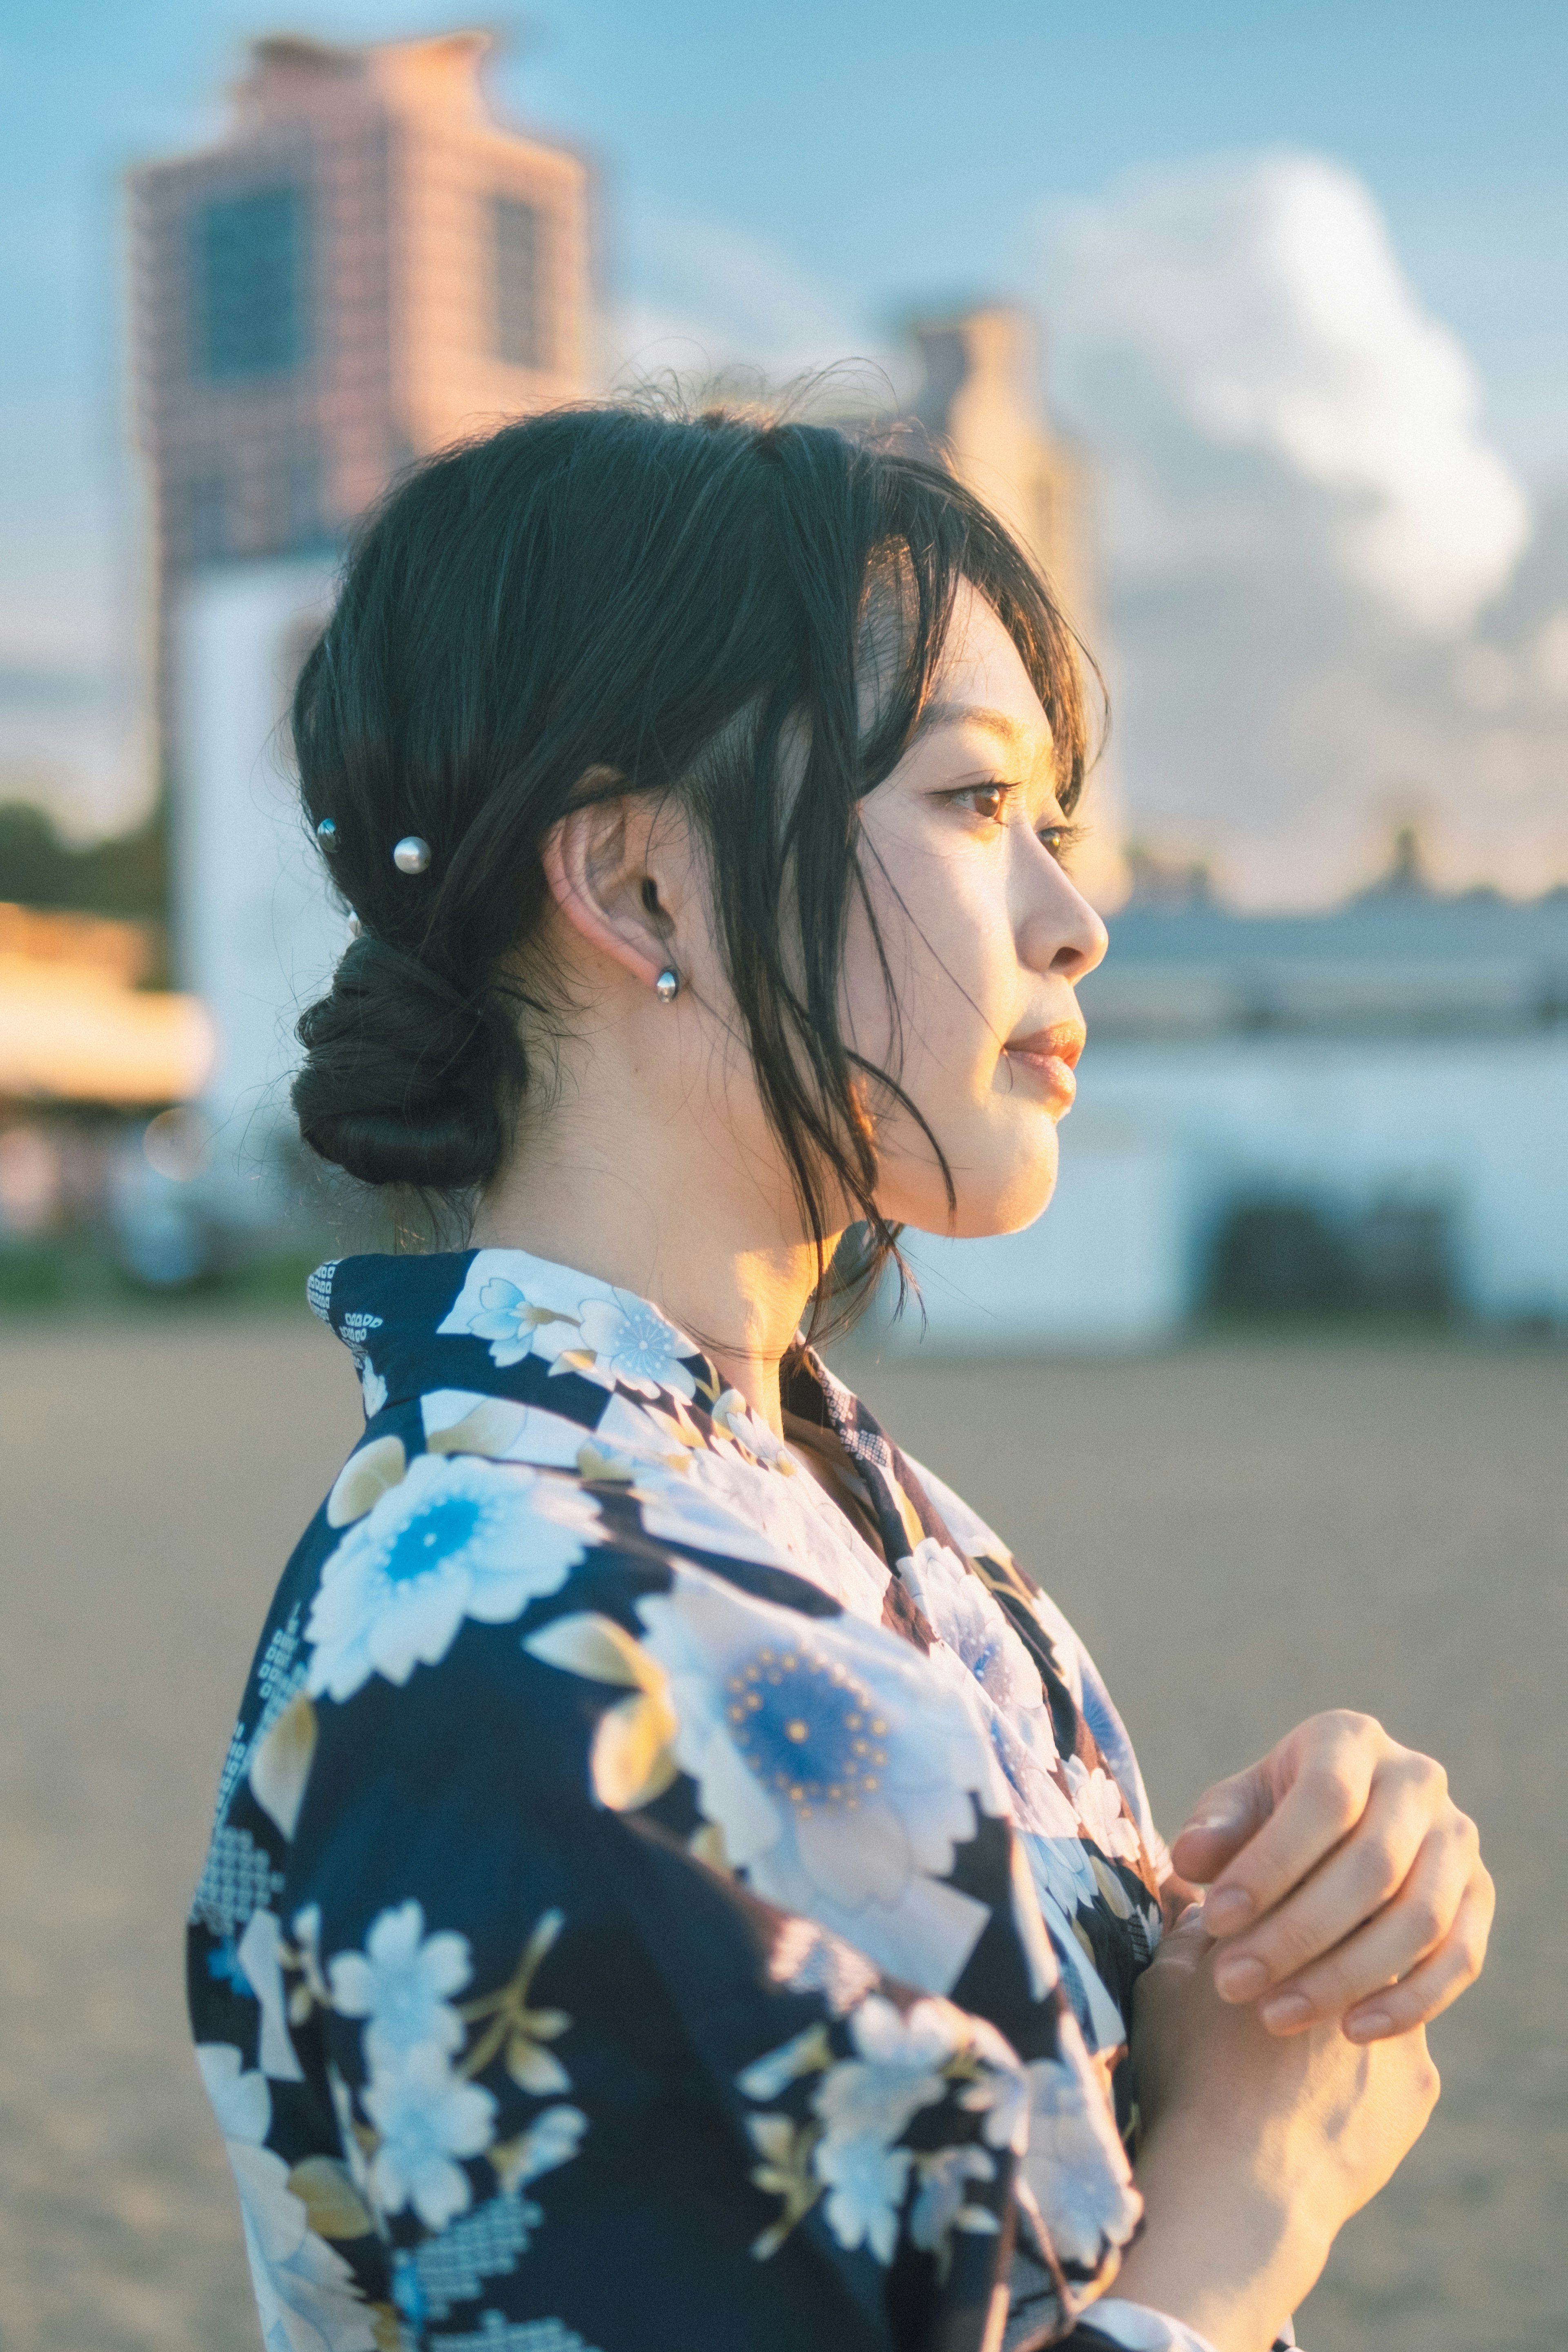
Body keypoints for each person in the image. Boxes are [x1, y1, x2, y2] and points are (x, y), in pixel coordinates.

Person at [187, 402, 1494, 2352]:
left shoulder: (791, 1488)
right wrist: (1253, 2198)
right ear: (639, 889)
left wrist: (1286, 1925)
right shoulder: (521, 1647)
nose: (1078, 917)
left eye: (1058, 824)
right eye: (978, 807)